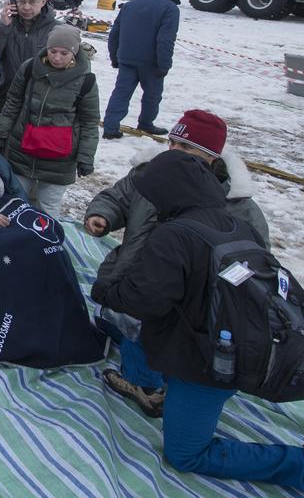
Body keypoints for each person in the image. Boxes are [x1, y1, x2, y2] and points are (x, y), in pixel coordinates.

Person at [90, 149, 304, 496]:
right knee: (150, 342)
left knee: (186, 453)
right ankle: (158, 393)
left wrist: (106, 287)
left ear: (168, 192)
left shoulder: (174, 235)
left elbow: (144, 301)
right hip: (242, 340)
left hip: (210, 363)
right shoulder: (238, 224)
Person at [85, 110, 268, 418]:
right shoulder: (149, 174)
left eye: (185, 148)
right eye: (172, 143)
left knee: (163, 335)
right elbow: (119, 197)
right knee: (128, 324)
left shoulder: (238, 206)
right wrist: (102, 215)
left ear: (211, 158)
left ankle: (155, 387)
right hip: (136, 276)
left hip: (188, 298)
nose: (173, 152)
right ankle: (142, 377)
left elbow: (254, 259)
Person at [0, 25, 99, 217]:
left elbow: (90, 122)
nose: (57, 57)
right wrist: (1, 131)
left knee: (48, 209)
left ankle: (47, 244)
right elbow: (14, 101)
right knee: (14, 203)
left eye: (64, 53)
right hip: (23, 150)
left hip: (59, 159)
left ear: (74, 52)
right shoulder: (31, 68)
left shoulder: (86, 81)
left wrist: (86, 157)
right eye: (53, 51)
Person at [103, 0, 181, 138]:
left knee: (121, 93)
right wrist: (164, 64)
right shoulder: (169, 8)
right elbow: (165, 40)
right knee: (152, 95)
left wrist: (115, 57)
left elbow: (114, 34)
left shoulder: (130, 5)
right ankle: (146, 124)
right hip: (151, 62)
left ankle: (110, 127)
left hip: (126, 58)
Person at [0, 0, 59, 122]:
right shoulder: (2, 26)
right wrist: (3, 28)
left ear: (43, 1)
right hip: (4, 103)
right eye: (21, 1)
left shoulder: (58, 30)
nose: (26, 7)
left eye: (32, 2)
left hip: (41, 106)